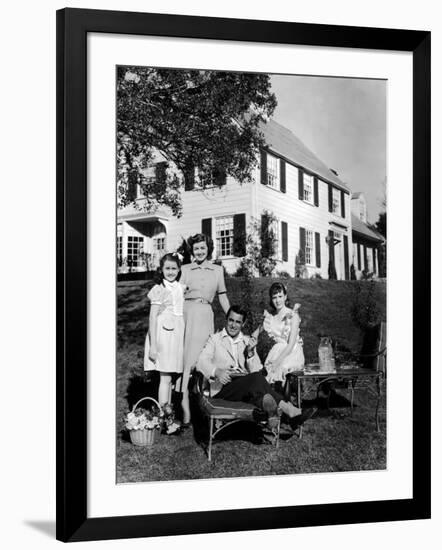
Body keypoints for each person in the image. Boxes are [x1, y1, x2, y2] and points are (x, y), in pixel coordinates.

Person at [196, 306, 302, 423]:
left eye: (238, 322)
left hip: (244, 387)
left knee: (260, 391)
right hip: (223, 388)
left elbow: (257, 370)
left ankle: (275, 415)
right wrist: (217, 371)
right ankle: (287, 408)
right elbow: (201, 361)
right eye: (231, 320)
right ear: (226, 319)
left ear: (243, 324)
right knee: (256, 379)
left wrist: (251, 353)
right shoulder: (215, 339)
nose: (233, 325)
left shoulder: (247, 341)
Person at [178, 233, 230, 425]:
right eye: (196, 248)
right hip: (187, 316)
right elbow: (176, 296)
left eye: (203, 248)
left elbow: (222, 296)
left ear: (208, 248)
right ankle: (186, 414)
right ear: (192, 250)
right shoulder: (185, 269)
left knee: (207, 361)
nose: (199, 251)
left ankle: (210, 409)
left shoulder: (217, 270)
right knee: (187, 364)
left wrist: (232, 316)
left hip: (206, 316)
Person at [144, 253, 185, 409]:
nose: (170, 272)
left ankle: (168, 413)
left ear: (179, 269)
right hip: (163, 337)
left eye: (174, 268)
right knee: (165, 377)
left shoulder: (180, 287)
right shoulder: (159, 289)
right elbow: (152, 318)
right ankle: (164, 415)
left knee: (169, 378)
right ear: (161, 269)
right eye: (167, 268)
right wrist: (154, 346)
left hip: (176, 336)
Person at [253, 282, 305, 385]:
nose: (277, 300)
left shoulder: (292, 315)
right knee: (269, 373)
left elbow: (291, 344)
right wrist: (253, 335)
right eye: (274, 297)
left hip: (292, 352)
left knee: (279, 369)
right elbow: (259, 329)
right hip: (278, 350)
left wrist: (277, 362)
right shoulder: (271, 317)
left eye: (280, 296)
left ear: (285, 297)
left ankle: (285, 396)